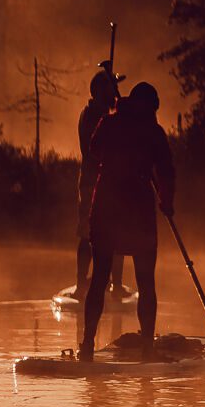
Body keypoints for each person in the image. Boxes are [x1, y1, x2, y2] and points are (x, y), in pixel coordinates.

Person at [82, 81, 175, 360]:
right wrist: (166, 202)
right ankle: (146, 347)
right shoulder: (152, 132)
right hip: (134, 211)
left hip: (108, 209)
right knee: (144, 281)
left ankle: (88, 345)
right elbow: (166, 173)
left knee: (101, 278)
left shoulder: (111, 123)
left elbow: (94, 149)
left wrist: (110, 115)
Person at [75, 63, 122, 299]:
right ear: (97, 92)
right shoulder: (91, 116)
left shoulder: (111, 116)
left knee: (117, 232)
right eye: (110, 90)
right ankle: (81, 284)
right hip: (92, 182)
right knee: (87, 233)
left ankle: (116, 285)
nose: (114, 95)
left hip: (111, 184)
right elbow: (93, 150)